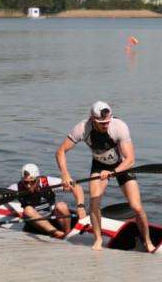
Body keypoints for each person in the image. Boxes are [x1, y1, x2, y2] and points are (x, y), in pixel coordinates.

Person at [56, 101, 154, 252]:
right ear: (92, 118)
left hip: (122, 165)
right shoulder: (82, 128)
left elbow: (130, 159)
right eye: (102, 123)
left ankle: (147, 241)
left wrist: (113, 172)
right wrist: (65, 174)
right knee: (94, 202)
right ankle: (98, 240)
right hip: (100, 165)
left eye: (108, 121)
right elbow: (60, 151)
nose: (105, 125)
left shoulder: (119, 126)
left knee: (136, 205)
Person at [0, 163, 85, 238]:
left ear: (38, 178)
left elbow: (77, 187)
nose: (28, 186)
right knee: (28, 210)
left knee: (62, 206)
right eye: (25, 182)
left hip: (53, 217)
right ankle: (56, 233)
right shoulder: (16, 188)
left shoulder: (48, 182)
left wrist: (80, 206)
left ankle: (68, 233)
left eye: (32, 182)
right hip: (32, 222)